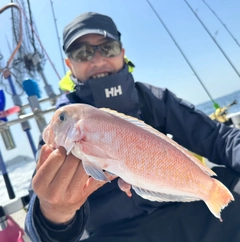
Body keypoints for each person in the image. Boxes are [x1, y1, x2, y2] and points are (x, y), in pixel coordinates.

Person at [25, 12, 240, 242]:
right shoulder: (64, 122)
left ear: (122, 52)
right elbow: (36, 222)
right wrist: (53, 213)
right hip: (114, 233)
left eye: (107, 48)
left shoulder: (153, 99)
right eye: (83, 53)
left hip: (185, 210)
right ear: (70, 64)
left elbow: (218, 137)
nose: (97, 60)